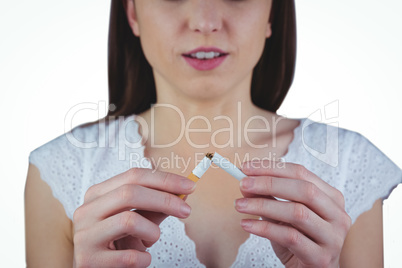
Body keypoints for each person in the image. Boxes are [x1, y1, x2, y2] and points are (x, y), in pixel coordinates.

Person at [25, 0, 402, 267]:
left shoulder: (349, 162)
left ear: (273, 13)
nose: (205, 21)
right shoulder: (60, 168)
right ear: (131, 12)